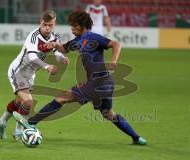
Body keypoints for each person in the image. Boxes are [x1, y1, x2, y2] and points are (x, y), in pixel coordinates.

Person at [13, 11, 147, 145]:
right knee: (109, 114)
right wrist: (55, 45)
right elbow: (64, 49)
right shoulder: (78, 40)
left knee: (62, 98)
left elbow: (116, 44)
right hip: (105, 84)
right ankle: (137, 138)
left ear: (82, 25)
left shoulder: (93, 37)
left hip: (97, 84)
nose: (71, 28)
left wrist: (114, 61)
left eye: (74, 25)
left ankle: (31, 123)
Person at [0, 10, 69, 140]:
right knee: (28, 103)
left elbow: (57, 53)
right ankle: (19, 131)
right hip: (18, 71)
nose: (46, 28)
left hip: (30, 74)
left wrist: (62, 58)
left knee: (19, 102)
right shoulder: (33, 36)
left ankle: (1, 121)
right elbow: (33, 57)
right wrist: (47, 67)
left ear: (54, 24)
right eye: (44, 24)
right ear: (40, 22)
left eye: (50, 25)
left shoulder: (55, 38)